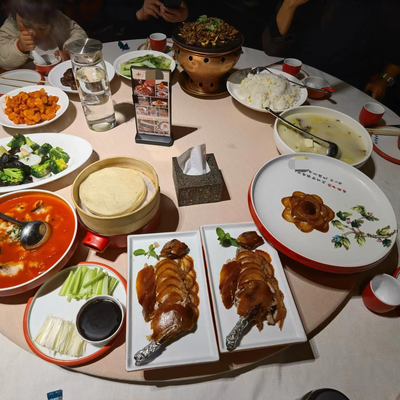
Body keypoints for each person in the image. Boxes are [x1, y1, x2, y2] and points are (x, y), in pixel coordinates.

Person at [262, 0, 400, 100]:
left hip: (344, 90)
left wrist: (384, 79)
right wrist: (289, 4)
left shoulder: (377, 6)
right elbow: (271, 48)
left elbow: (396, 51)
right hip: (294, 79)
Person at [0, 0, 87, 70]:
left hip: (57, 72)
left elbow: (78, 34)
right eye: (26, 25)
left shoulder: (57, 20)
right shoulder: (11, 26)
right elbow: (2, 58)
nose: (33, 33)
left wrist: (68, 52)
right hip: (24, 78)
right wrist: (19, 47)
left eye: (41, 28)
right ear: (16, 14)